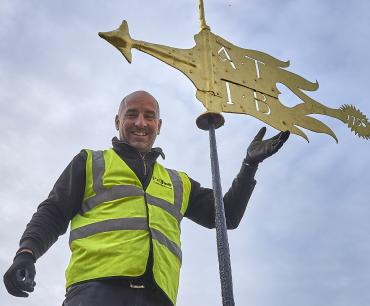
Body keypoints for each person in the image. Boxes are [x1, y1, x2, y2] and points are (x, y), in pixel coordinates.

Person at [3, 90, 289, 306]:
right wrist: (26, 254)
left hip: (158, 297)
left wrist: (249, 165)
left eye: (149, 116)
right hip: (95, 292)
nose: (141, 122)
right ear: (118, 121)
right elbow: (52, 212)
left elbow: (228, 216)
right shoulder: (89, 162)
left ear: (159, 125)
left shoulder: (179, 182)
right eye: (132, 114)